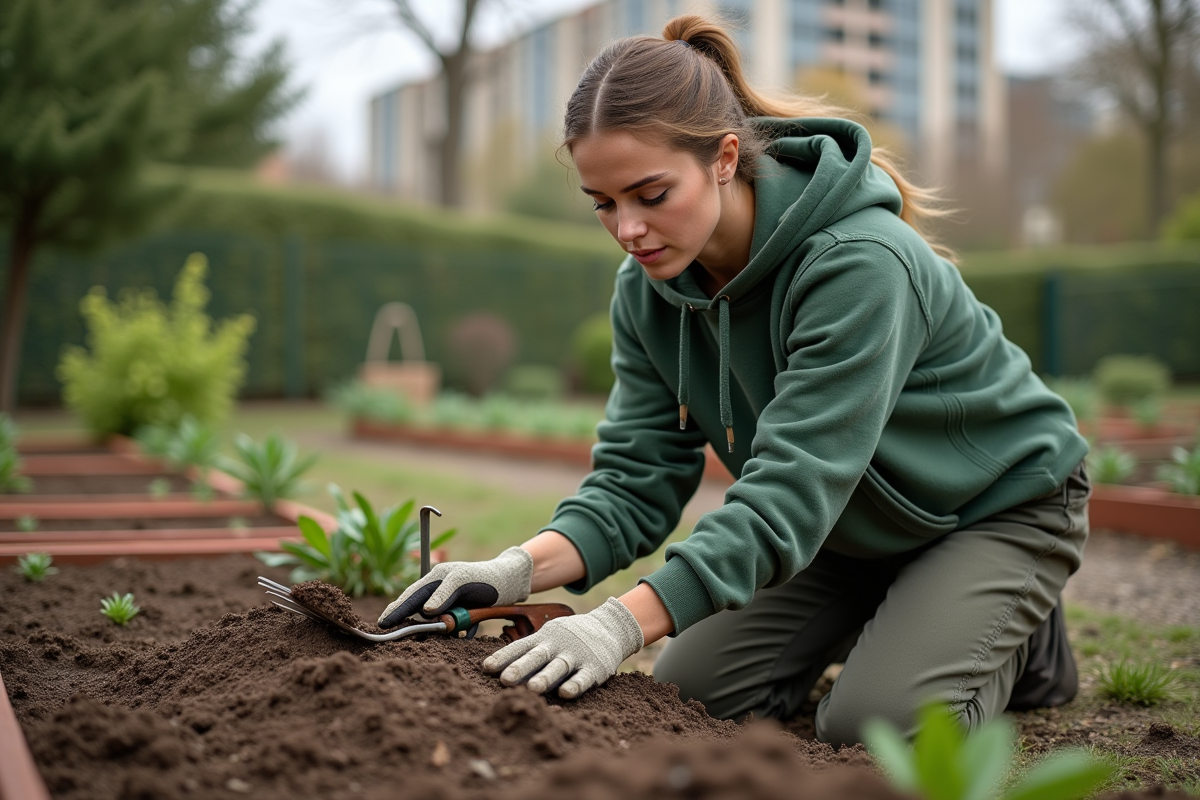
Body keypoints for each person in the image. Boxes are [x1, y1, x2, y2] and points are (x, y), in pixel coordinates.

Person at [378, 15, 1089, 746]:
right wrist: (515, 570)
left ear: (723, 158)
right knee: (694, 693)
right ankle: (911, 612)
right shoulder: (647, 290)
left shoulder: (857, 264)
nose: (627, 229)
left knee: (874, 728)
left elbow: (790, 490)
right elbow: (635, 479)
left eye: (650, 194)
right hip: (846, 530)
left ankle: (1022, 644)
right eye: (604, 203)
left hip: (995, 507)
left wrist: (620, 623)